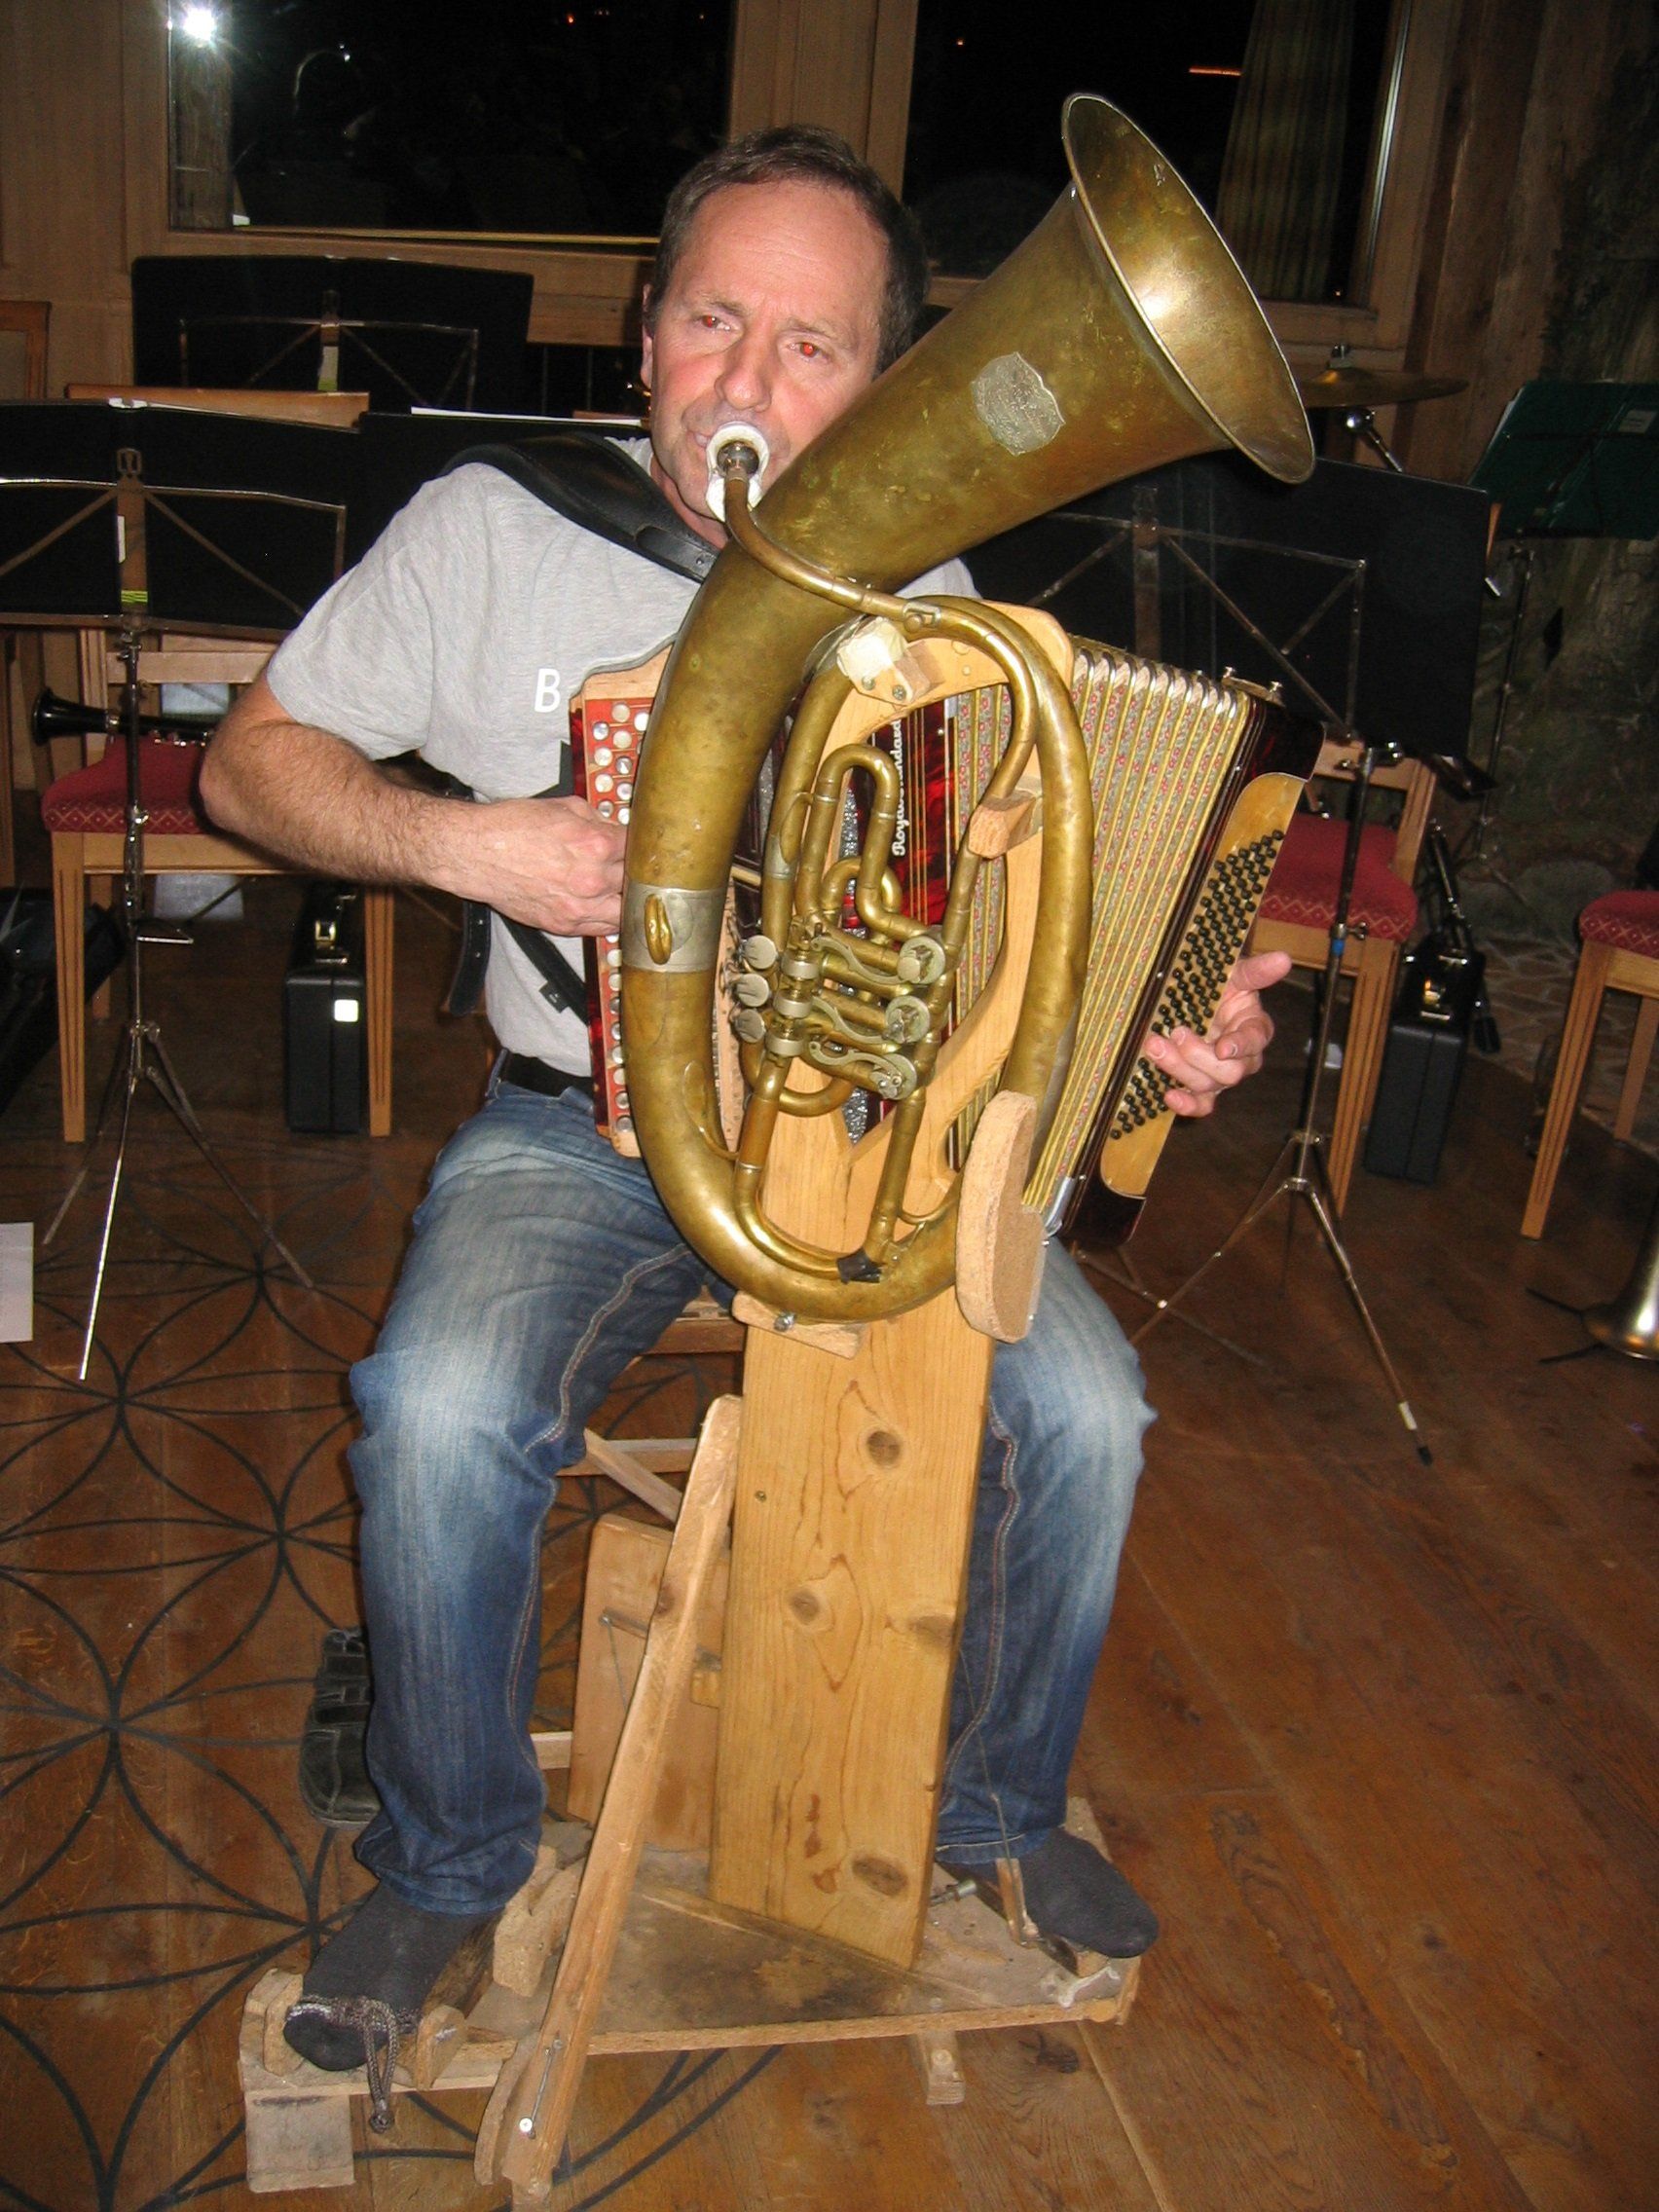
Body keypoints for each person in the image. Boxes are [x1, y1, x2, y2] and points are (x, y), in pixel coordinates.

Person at [201, 126, 1288, 2073]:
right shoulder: (487, 527)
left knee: (1093, 1413)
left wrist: (1153, 1017)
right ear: (645, 335)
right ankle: (450, 1855)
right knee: (435, 1409)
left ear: (877, 380)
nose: (748, 381)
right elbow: (247, 767)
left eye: (812, 345)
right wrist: (468, 844)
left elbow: (1006, 943)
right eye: (714, 321)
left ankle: (995, 1814)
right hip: (579, 1119)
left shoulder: (940, 590)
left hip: (867, 1136)